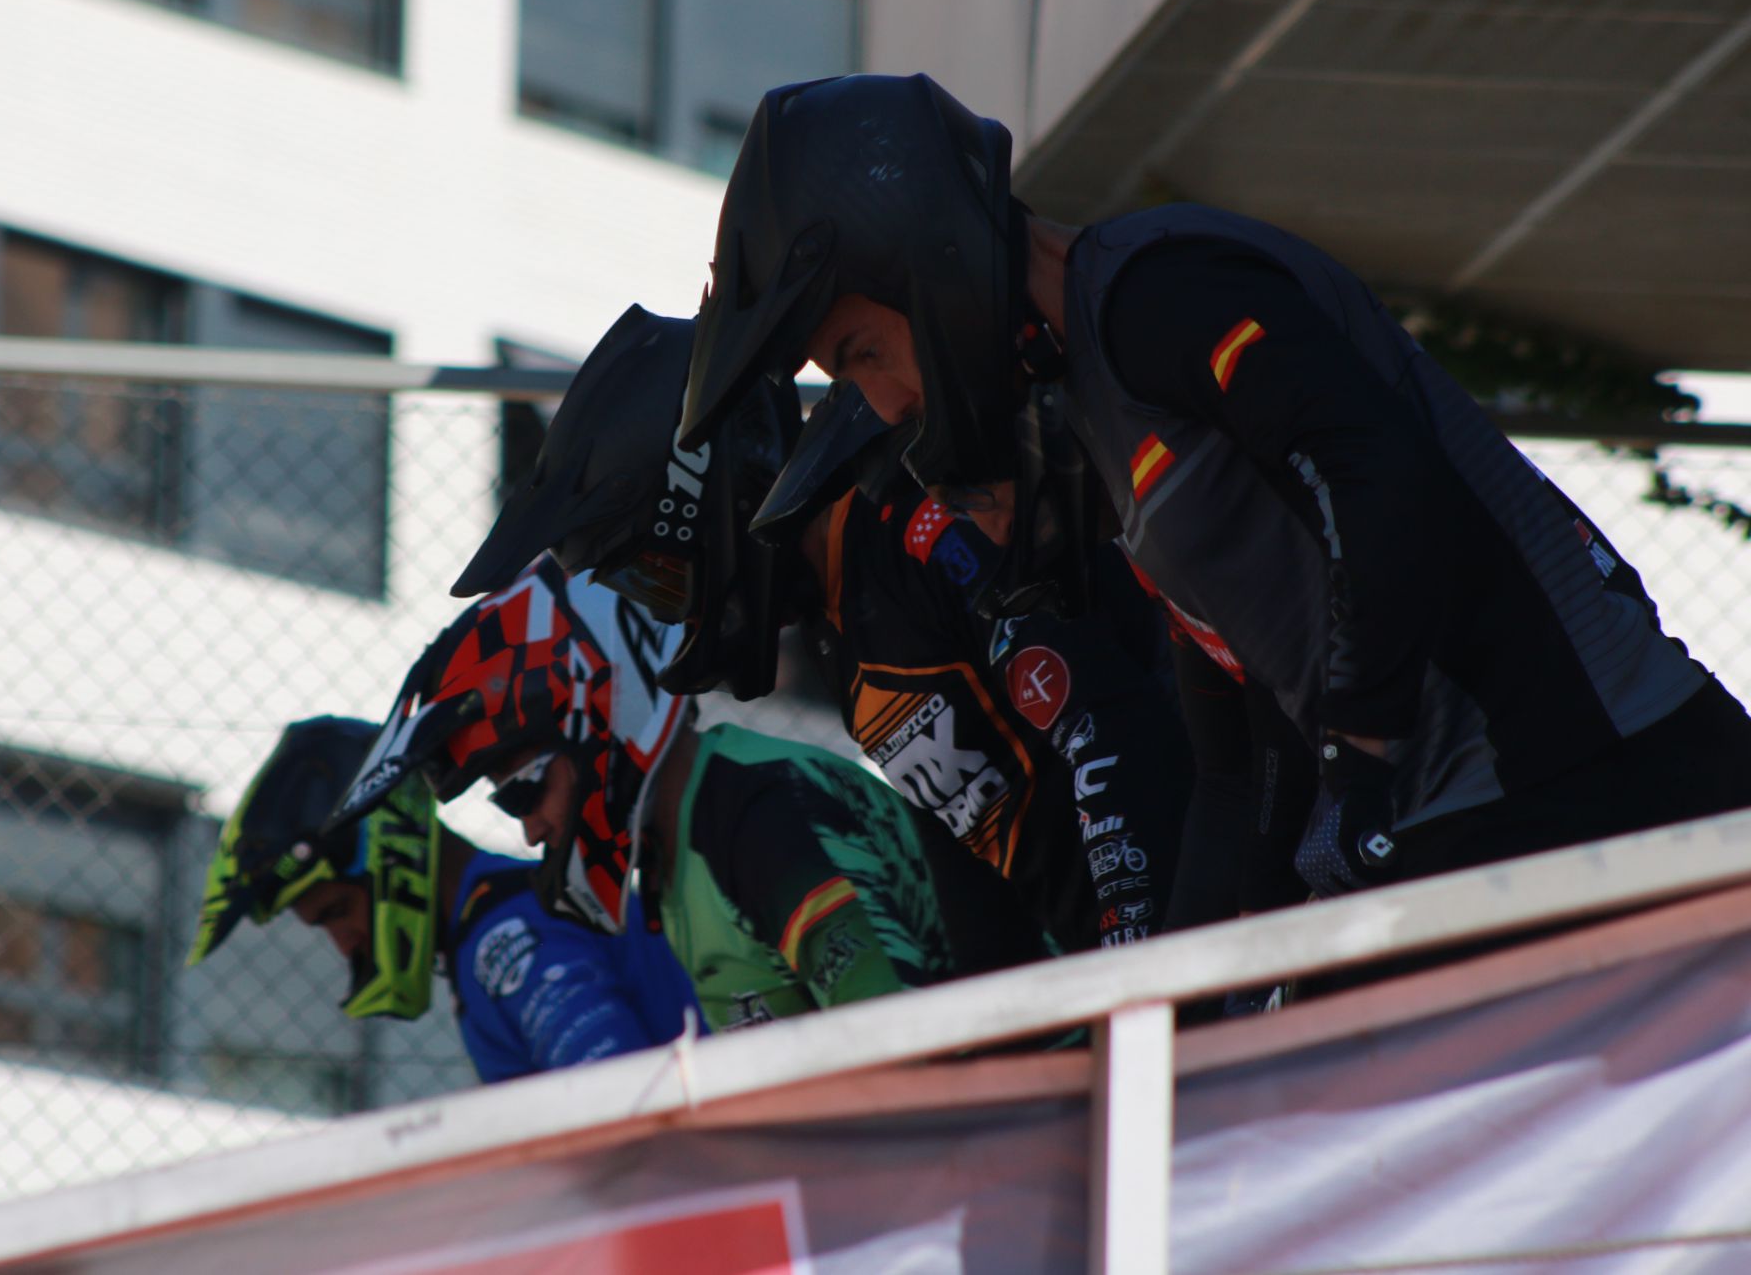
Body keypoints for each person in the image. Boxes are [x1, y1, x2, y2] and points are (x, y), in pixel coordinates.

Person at [677, 71, 1751, 909]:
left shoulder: (1154, 291)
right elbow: (1231, 769)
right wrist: (1179, 1001)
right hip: (1464, 827)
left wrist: (1362, 753)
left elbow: (1373, 468)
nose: (886, 401)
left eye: (861, 351)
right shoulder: (1101, 415)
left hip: (1596, 777)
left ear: (924, 260)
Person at [454, 307, 1266, 953]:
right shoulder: (840, 627)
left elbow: (1113, 726)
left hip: (1241, 917)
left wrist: (1145, 962)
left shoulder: (918, 517)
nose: (671, 612)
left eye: (659, 575)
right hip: (1142, 960)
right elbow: (968, 856)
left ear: (716, 497)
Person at [328, 558, 1046, 1031]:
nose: (532, 834)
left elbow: (890, 1046)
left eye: (522, 795)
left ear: (600, 723)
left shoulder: (754, 819)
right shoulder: (680, 846)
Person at [187, 715, 701, 1084]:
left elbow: (622, 1096)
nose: (343, 945)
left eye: (338, 912)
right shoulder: (510, 909)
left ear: (386, 849)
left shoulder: (503, 939)